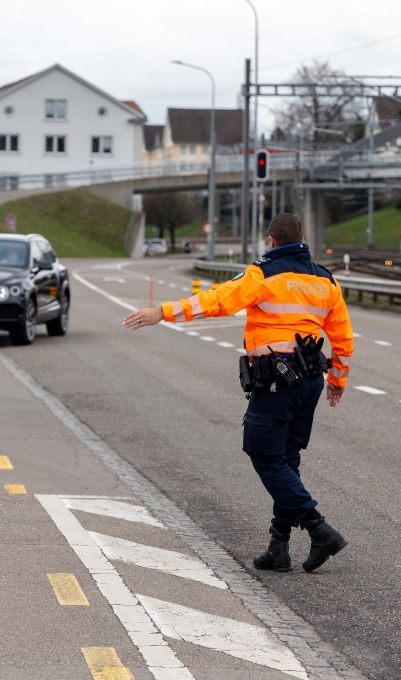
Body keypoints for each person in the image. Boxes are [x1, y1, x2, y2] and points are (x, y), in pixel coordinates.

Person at [123, 213, 354, 573]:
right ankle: (278, 548)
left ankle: (318, 528)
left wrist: (162, 312)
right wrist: (337, 382)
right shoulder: (326, 280)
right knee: (286, 459)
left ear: (271, 241)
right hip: (309, 380)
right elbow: (343, 339)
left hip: (279, 378)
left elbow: (217, 300)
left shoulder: (264, 274)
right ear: (302, 239)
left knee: (263, 453)